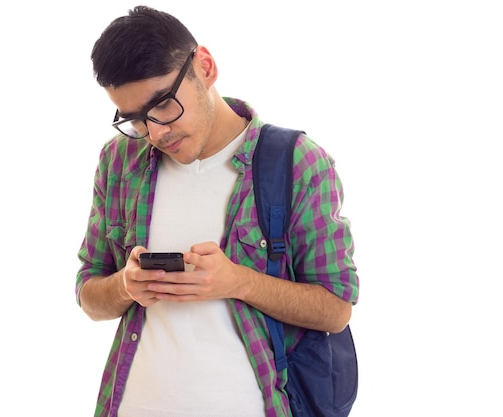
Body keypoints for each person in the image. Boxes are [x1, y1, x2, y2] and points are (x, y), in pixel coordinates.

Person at [75, 5, 359, 417]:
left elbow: (335, 309)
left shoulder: (295, 162)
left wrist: (238, 282)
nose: (156, 133)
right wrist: (125, 286)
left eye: (164, 105)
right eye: (136, 120)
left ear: (205, 67)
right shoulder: (119, 161)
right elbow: (88, 293)